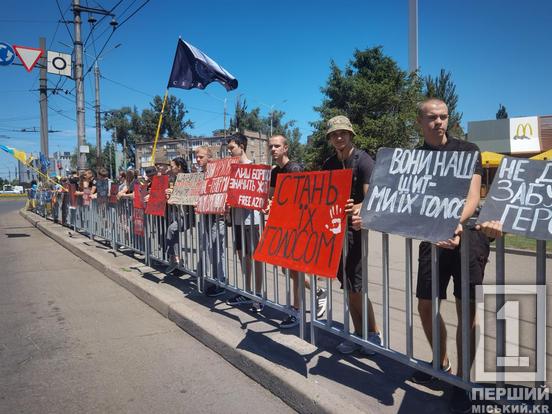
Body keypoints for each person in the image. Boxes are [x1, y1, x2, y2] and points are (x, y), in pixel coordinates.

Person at [410, 98, 490, 414]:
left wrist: (455, 223)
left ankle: (462, 382)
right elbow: (409, 199)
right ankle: (439, 363)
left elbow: (473, 195)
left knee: (465, 310)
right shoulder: (415, 158)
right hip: (433, 239)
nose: (439, 122)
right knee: (426, 304)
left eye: (443, 117)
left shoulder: (468, 150)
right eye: (432, 118)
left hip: (466, 237)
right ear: (420, 122)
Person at [322, 115, 382, 355]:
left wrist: (357, 207)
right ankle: (358, 334)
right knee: (346, 286)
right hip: (334, 233)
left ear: (350, 135)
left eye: (343, 133)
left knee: (356, 286)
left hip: (355, 232)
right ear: (330, 138)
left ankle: (373, 334)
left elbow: (372, 199)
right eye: (335, 134)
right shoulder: (329, 164)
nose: (339, 137)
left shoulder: (363, 160)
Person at [267, 134, 328, 329]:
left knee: (294, 268)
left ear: (286, 148)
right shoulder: (275, 172)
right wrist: (268, 203)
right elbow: (272, 196)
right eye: (271, 147)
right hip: (284, 226)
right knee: (289, 269)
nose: (273, 150)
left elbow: (300, 199)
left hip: (298, 227)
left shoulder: (295, 168)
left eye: (277, 146)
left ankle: (296, 310)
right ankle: (317, 292)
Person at [224, 134, 264, 312]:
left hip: (251, 220)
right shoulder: (231, 169)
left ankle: (258, 295)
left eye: (232, 148)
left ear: (242, 146)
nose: (230, 152)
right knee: (242, 257)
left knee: (254, 258)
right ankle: (247, 292)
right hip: (238, 219)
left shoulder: (253, 168)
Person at [195, 146, 227, 297]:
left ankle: (219, 281)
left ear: (209, 157)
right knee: (207, 248)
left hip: (217, 217)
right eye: (197, 156)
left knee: (216, 248)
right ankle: (212, 279)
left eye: (201, 157)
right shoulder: (200, 175)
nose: (198, 159)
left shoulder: (218, 172)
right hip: (205, 216)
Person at [165, 157, 190, 274]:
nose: (170, 168)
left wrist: (173, 193)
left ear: (179, 167)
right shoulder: (174, 179)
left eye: (172, 166)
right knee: (172, 234)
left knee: (171, 229)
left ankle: (174, 258)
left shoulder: (189, 178)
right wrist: (169, 194)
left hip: (188, 215)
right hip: (180, 214)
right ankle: (176, 259)